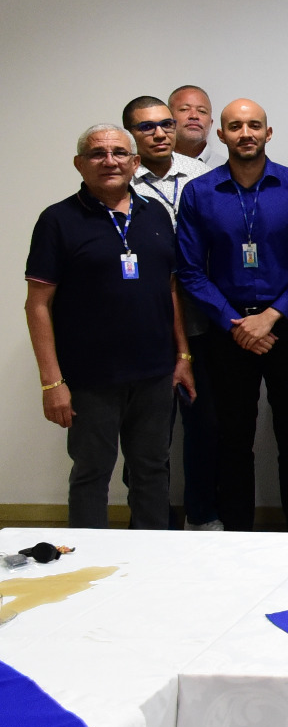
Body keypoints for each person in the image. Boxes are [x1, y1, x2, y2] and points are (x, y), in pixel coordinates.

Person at [24, 124, 195, 528]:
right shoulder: (58, 220)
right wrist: (52, 382)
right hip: (89, 379)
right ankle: (88, 570)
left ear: (135, 163)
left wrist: (183, 355)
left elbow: (170, 290)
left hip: (154, 375)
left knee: (152, 472)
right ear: (79, 164)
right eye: (98, 154)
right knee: (91, 474)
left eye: (119, 152)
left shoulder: (155, 215)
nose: (110, 161)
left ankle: (151, 559)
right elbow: (37, 305)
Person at [176, 99, 288, 532]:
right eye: (235, 126)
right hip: (228, 331)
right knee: (232, 439)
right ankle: (237, 534)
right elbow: (189, 269)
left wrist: (272, 316)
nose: (246, 133)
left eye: (254, 125)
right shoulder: (199, 193)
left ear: (269, 132)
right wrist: (235, 322)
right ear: (221, 135)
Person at [125, 95, 219, 529]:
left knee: (205, 431)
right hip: (149, 327)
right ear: (133, 135)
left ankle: (201, 518)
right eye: (148, 127)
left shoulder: (207, 177)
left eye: (166, 124)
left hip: (206, 323)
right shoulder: (120, 181)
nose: (160, 133)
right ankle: (151, 523)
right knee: (147, 436)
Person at [169, 85, 226, 167]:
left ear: (211, 123)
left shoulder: (228, 170)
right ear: (168, 121)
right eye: (184, 109)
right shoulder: (153, 167)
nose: (194, 116)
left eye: (202, 111)